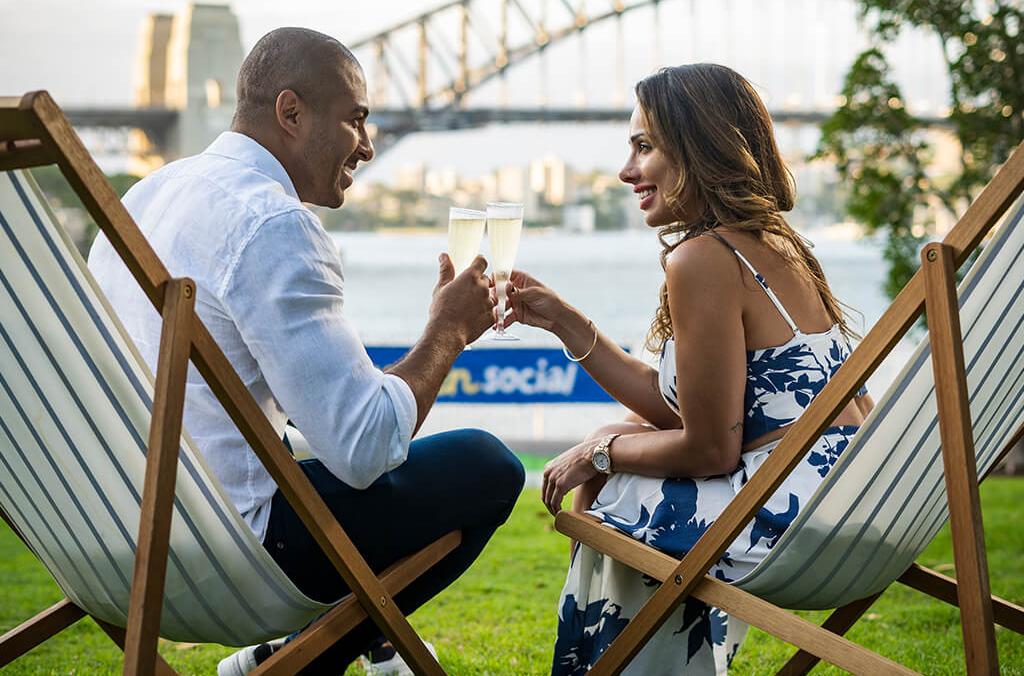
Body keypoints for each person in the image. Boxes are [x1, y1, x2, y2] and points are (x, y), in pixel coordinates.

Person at [87, 27, 524, 674]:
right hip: (231, 554)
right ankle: (300, 663)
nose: (369, 146)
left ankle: (298, 659)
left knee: (300, 445)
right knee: (486, 465)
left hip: (111, 540)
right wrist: (448, 332)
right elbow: (364, 449)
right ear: (290, 112)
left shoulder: (148, 197)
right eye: (356, 120)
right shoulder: (273, 222)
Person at [504, 63, 874, 674]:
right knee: (612, 438)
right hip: (848, 499)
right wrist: (567, 323)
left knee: (609, 472)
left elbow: (709, 450)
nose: (626, 171)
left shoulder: (704, 259)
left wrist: (598, 458)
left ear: (698, 148)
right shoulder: (775, 245)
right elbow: (690, 408)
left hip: (788, 521)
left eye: (643, 146)